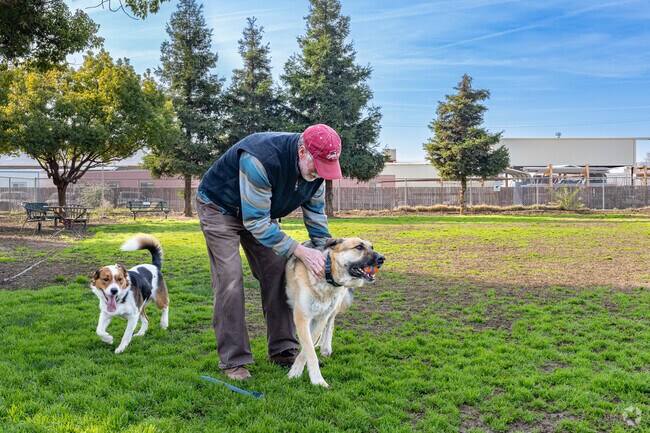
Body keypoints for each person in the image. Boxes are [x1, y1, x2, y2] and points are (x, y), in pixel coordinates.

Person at [196, 124, 343, 380]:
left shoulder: (317, 173)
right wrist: (300, 251)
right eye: (316, 166)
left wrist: (325, 254)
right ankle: (234, 360)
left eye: (325, 169)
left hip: (261, 214)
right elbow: (255, 222)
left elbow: (317, 217)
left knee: (277, 271)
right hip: (220, 209)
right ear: (302, 151)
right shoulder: (261, 159)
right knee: (230, 279)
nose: (320, 174)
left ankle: (283, 348)